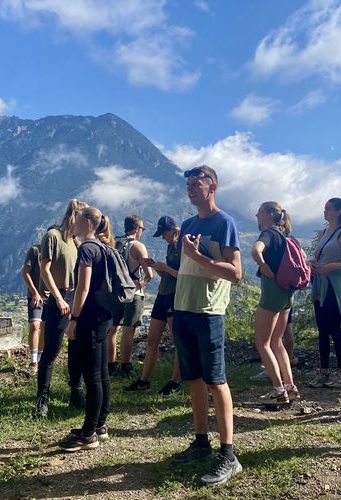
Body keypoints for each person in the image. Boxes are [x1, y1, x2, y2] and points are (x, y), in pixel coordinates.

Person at [170, 165, 243, 486]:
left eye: (196, 184)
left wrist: (200, 257)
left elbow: (236, 273)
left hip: (209, 312)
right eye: (187, 184)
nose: (190, 189)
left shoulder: (224, 223)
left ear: (212, 186)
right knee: (195, 379)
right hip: (184, 309)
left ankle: (229, 455)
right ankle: (201, 442)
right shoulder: (187, 224)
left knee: (216, 381)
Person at [58, 207, 116, 452]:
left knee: (92, 376)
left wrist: (74, 319)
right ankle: (99, 425)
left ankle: (88, 434)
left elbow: (82, 288)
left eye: (77, 218)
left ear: (87, 222)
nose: (73, 222)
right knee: (101, 372)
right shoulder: (103, 247)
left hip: (89, 319)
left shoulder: (86, 249)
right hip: (104, 317)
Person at [35, 199, 88, 418]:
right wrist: (58, 298)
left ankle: (76, 391)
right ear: (76, 217)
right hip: (61, 297)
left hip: (76, 297)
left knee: (76, 349)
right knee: (51, 351)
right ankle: (42, 400)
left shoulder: (76, 242)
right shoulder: (53, 236)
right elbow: (44, 269)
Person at [124, 215, 182, 396]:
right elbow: (167, 275)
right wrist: (157, 267)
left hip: (175, 296)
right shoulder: (170, 247)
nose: (163, 237)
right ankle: (144, 380)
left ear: (174, 231)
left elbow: (185, 276)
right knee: (152, 340)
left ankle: (175, 381)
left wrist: (165, 268)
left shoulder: (182, 248)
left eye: (164, 233)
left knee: (177, 341)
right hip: (162, 295)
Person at [307, 198, 341, 388]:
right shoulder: (323, 233)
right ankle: (324, 371)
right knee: (322, 329)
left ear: (339, 212)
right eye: (325, 208)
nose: (325, 212)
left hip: (334, 286)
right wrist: (310, 263)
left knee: (334, 328)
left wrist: (333, 266)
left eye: (328, 209)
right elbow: (318, 257)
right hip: (320, 283)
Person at [250, 202, 297, 403]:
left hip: (271, 293)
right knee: (277, 342)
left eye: (259, 212)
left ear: (269, 214)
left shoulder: (268, 234)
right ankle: (290, 385)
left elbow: (255, 250)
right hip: (287, 294)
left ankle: (278, 390)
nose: (256, 215)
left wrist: (263, 265)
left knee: (262, 342)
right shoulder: (286, 236)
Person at [107, 215, 153, 378]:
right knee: (128, 330)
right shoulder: (138, 246)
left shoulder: (115, 244)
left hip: (116, 293)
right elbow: (149, 274)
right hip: (133, 293)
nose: (142, 232)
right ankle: (126, 366)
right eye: (142, 229)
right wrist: (141, 284)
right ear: (137, 229)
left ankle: (110, 365)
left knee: (112, 330)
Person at [21, 242, 45, 374]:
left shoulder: (57, 252)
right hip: (35, 295)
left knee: (45, 327)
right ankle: (33, 361)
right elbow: (26, 272)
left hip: (50, 296)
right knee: (35, 325)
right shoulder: (35, 251)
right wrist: (34, 292)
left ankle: (40, 361)